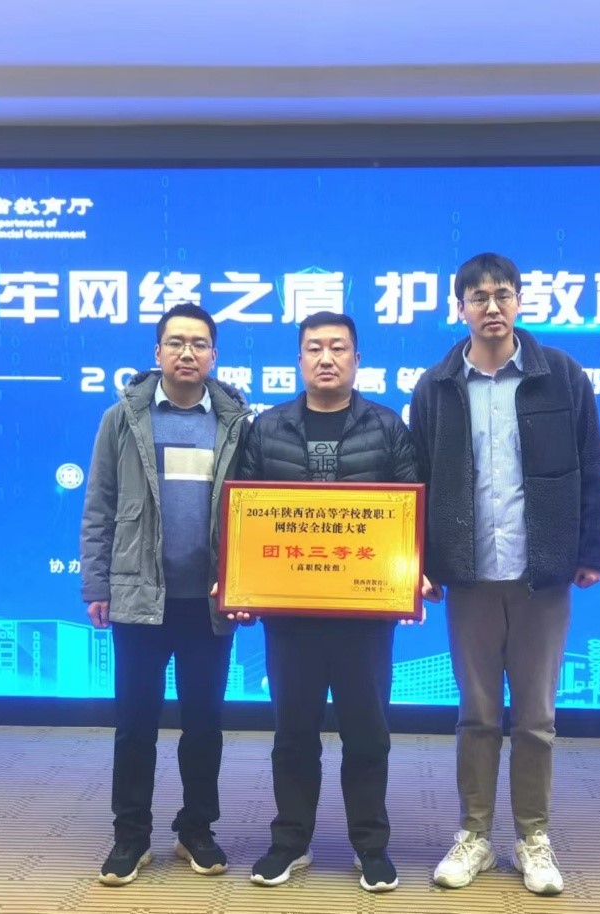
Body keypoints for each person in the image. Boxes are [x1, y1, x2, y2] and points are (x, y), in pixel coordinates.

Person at [408, 252, 600, 896]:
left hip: (540, 575)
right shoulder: (436, 386)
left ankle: (532, 838)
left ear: (520, 301)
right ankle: (474, 834)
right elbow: (419, 482)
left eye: (502, 294)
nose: (491, 307)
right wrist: (420, 563)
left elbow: (592, 465)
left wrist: (594, 549)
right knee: (476, 715)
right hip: (468, 578)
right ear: (460, 308)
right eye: (478, 297)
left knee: (535, 719)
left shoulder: (563, 376)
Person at [232, 311, 421, 893]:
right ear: (299, 359)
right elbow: (241, 514)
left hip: (365, 615)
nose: (326, 358)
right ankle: (290, 841)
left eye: (338, 347)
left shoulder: (387, 426)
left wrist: (417, 573)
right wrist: (238, 581)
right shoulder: (267, 428)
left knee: (368, 733)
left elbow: (412, 510)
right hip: (290, 615)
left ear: (357, 359)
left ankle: (371, 846)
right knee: (293, 733)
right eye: (314, 348)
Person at [80, 303, 252, 886]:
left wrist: (246, 583)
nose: (187, 352)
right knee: (135, 724)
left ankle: (195, 830)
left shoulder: (235, 423)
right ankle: (131, 836)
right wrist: (96, 583)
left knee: (204, 724)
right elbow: (99, 505)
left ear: (214, 355)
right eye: (176, 342)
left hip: (208, 602)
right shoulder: (122, 419)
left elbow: (253, 512)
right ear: (157, 353)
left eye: (199, 343)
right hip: (139, 597)